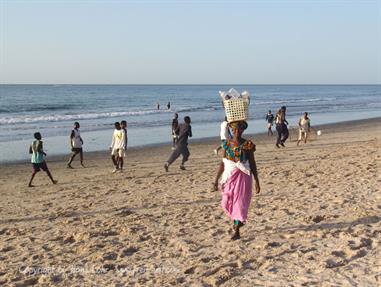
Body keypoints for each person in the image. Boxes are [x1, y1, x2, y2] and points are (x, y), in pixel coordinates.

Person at [213, 121, 260, 240]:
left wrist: (257, 181)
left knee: (239, 204)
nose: (237, 132)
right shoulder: (227, 144)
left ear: (243, 130)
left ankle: (237, 229)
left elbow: (252, 163)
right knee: (226, 200)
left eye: (239, 130)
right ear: (231, 131)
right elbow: (223, 164)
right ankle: (237, 223)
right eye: (234, 130)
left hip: (243, 177)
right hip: (230, 176)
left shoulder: (247, 145)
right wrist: (215, 180)